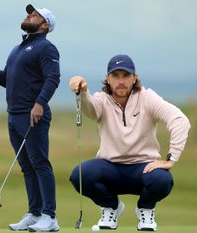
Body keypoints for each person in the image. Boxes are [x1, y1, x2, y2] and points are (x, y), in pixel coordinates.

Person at [68, 54, 191, 231]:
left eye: (126, 75)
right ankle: (111, 207)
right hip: (110, 168)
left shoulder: (147, 98)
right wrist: (83, 92)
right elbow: (90, 109)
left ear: (134, 78)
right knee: (80, 175)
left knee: (162, 179)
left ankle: (146, 209)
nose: (121, 81)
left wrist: (171, 159)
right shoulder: (102, 100)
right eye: (115, 76)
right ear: (108, 79)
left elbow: (179, 120)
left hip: (143, 169)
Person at [0, 4, 60, 232]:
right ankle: (34, 213)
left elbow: (53, 78)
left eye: (34, 14)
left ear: (45, 24)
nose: (28, 15)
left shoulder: (46, 48)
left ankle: (49, 217)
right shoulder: (18, 49)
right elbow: (6, 80)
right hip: (14, 116)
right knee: (27, 167)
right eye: (28, 13)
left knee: (40, 164)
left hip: (33, 115)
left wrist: (40, 103)